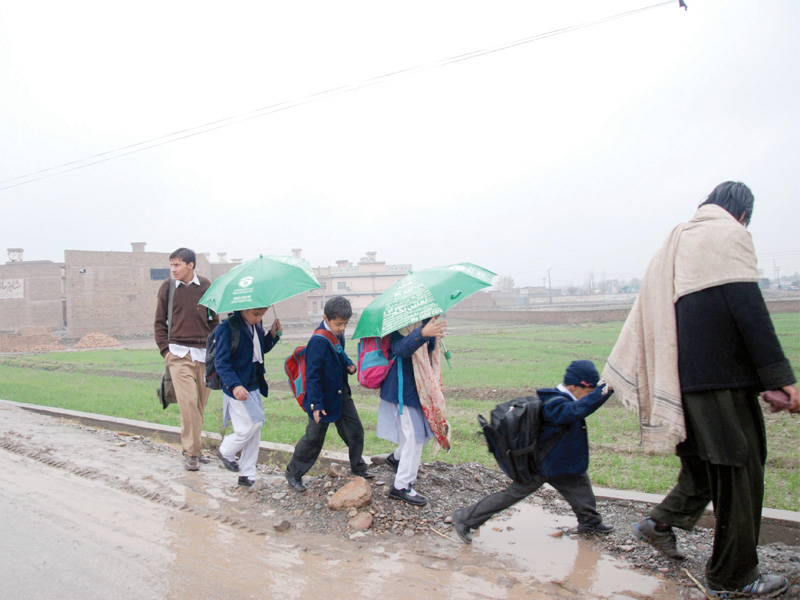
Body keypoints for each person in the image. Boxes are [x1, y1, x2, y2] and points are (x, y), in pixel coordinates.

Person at [603, 182, 799, 598]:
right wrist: (778, 377)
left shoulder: (678, 240)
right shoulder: (728, 234)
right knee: (740, 472)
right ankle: (735, 577)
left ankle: (659, 523)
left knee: (704, 465)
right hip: (720, 383)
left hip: (683, 380)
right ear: (743, 214)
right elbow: (746, 307)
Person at [451, 360, 615, 541]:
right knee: (512, 495)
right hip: (542, 466)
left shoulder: (562, 399)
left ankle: (590, 522)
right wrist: (602, 392)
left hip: (563, 463)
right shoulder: (554, 403)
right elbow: (574, 411)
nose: (588, 397)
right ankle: (464, 519)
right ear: (576, 386)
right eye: (589, 392)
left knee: (581, 489)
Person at [285, 296, 372, 492]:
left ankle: (358, 467)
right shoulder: (318, 340)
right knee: (313, 439)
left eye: (345, 324)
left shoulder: (336, 334)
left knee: (355, 430)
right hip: (321, 399)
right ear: (326, 318)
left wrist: (348, 364)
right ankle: (293, 473)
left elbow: (339, 353)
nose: (342, 328)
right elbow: (312, 376)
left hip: (341, 394)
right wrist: (316, 405)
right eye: (338, 324)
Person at [154, 248, 219, 471]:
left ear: (190, 265)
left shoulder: (206, 286)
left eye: (178, 265)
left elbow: (214, 321)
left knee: (199, 405)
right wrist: (166, 352)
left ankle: (194, 449)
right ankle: (192, 453)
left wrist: (213, 349)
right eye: (172, 265)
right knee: (188, 404)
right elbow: (159, 322)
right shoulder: (168, 288)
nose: (173, 269)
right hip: (178, 356)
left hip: (203, 355)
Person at [378, 315, 449, 506]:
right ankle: (401, 486)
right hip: (403, 390)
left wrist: (431, 335)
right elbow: (400, 349)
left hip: (420, 390)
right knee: (414, 438)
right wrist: (422, 333)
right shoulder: (402, 320)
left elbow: (428, 351)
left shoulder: (426, 319)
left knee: (425, 434)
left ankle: (397, 458)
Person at [214, 307, 281, 487]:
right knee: (254, 422)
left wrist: (272, 335)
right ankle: (226, 450)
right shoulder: (227, 328)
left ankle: (247, 474)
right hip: (237, 388)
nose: (259, 318)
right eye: (256, 314)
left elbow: (258, 350)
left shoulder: (256, 326)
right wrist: (234, 385)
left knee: (254, 433)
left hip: (253, 384)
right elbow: (221, 362)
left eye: (262, 314)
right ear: (242, 309)